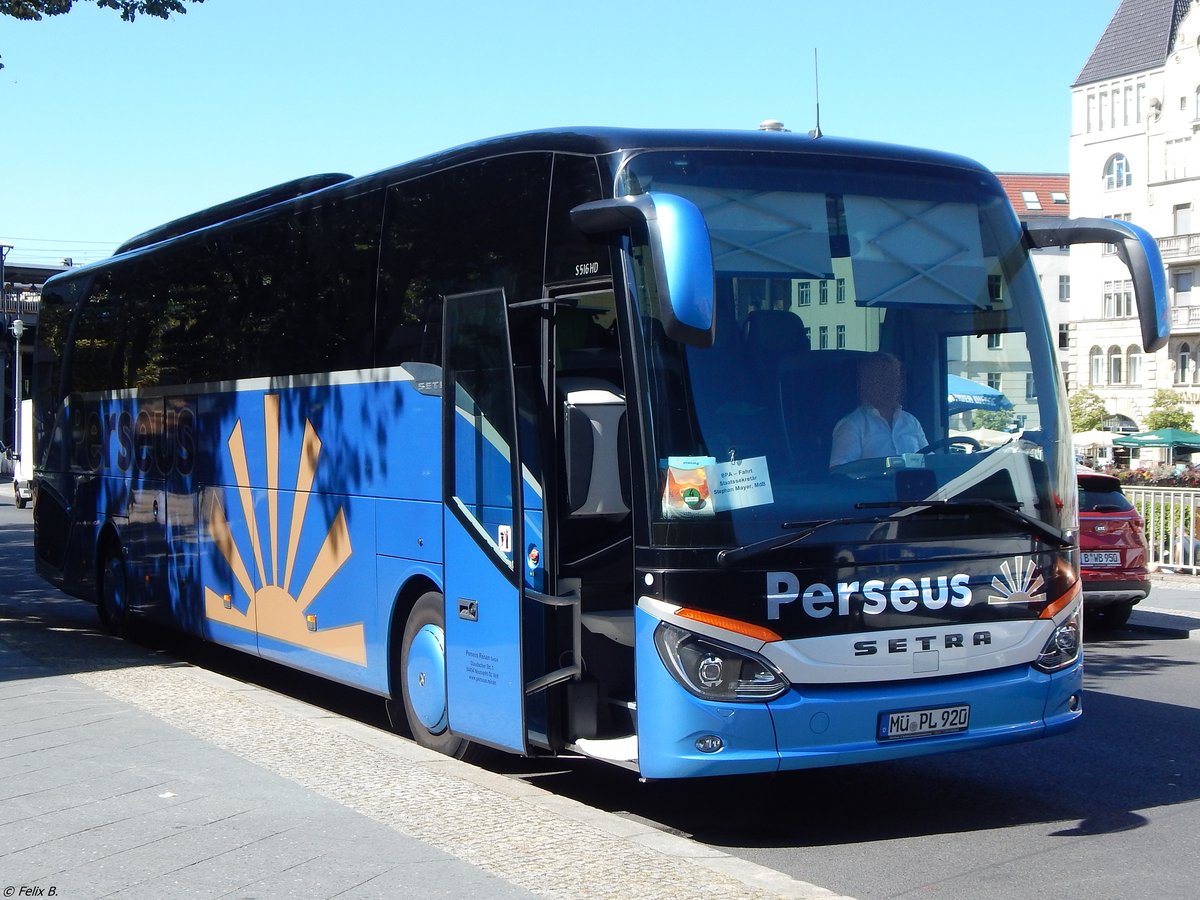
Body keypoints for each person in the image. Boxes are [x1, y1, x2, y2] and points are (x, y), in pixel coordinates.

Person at [829, 351, 927, 467]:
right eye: (883, 378)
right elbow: (840, 470)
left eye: (894, 378)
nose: (891, 385)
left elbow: (930, 460)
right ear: (866, 383)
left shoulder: (911, 421)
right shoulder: (852, 425)